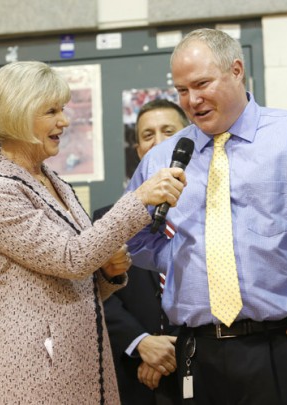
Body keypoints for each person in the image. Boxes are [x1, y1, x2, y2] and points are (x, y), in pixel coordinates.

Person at [125, 28, 287, 404]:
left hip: (286, 348)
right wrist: (180, 255)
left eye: (202, 84)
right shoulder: (162, 160)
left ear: (237, 70)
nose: (192, 100)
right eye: (181, 90)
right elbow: (133, 239)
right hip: (198, 353)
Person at [0, 61, 186, 404]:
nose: (64, 121)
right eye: (51, 111)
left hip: (81, 364)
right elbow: (71, 258)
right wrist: (138, 199)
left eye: (63, 109)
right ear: (17, 114)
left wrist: (108, 275)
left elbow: (68, 283)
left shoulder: (56, 183)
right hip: (32, 373)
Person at [95, 99, 189, 405]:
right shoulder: (106, 219)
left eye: (168, 132)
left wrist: (176, 349)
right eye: (148, 136)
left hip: (204, 365)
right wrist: (141, 343)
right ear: (138, 150)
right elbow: (93, 292)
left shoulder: (210, 216)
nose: (158, 142)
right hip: (133, 374)